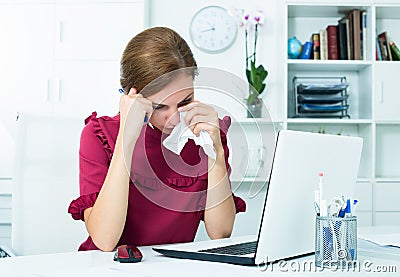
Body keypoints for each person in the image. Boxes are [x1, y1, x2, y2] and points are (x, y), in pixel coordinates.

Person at [68, 27, 246, 252]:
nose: (173, 117)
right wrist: (127, 136)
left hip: (169, 268)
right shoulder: (99, 135)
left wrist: (216, 151)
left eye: (184, 101)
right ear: (131, 97)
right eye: (158, 106)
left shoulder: (204, 134)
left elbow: (220, 232)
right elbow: (105, 240)